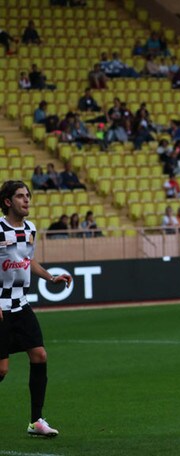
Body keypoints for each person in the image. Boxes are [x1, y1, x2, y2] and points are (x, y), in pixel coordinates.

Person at [0, 181, 71, 438]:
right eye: (20, 196)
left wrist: (50, 278)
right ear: (8, 202)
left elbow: (27, 261)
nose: (27, 200)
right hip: (0, 307)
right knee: (2, 370)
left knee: (39, 355)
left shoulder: (30, 229)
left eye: (28, 195)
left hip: (21, 305)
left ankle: (36, 421)